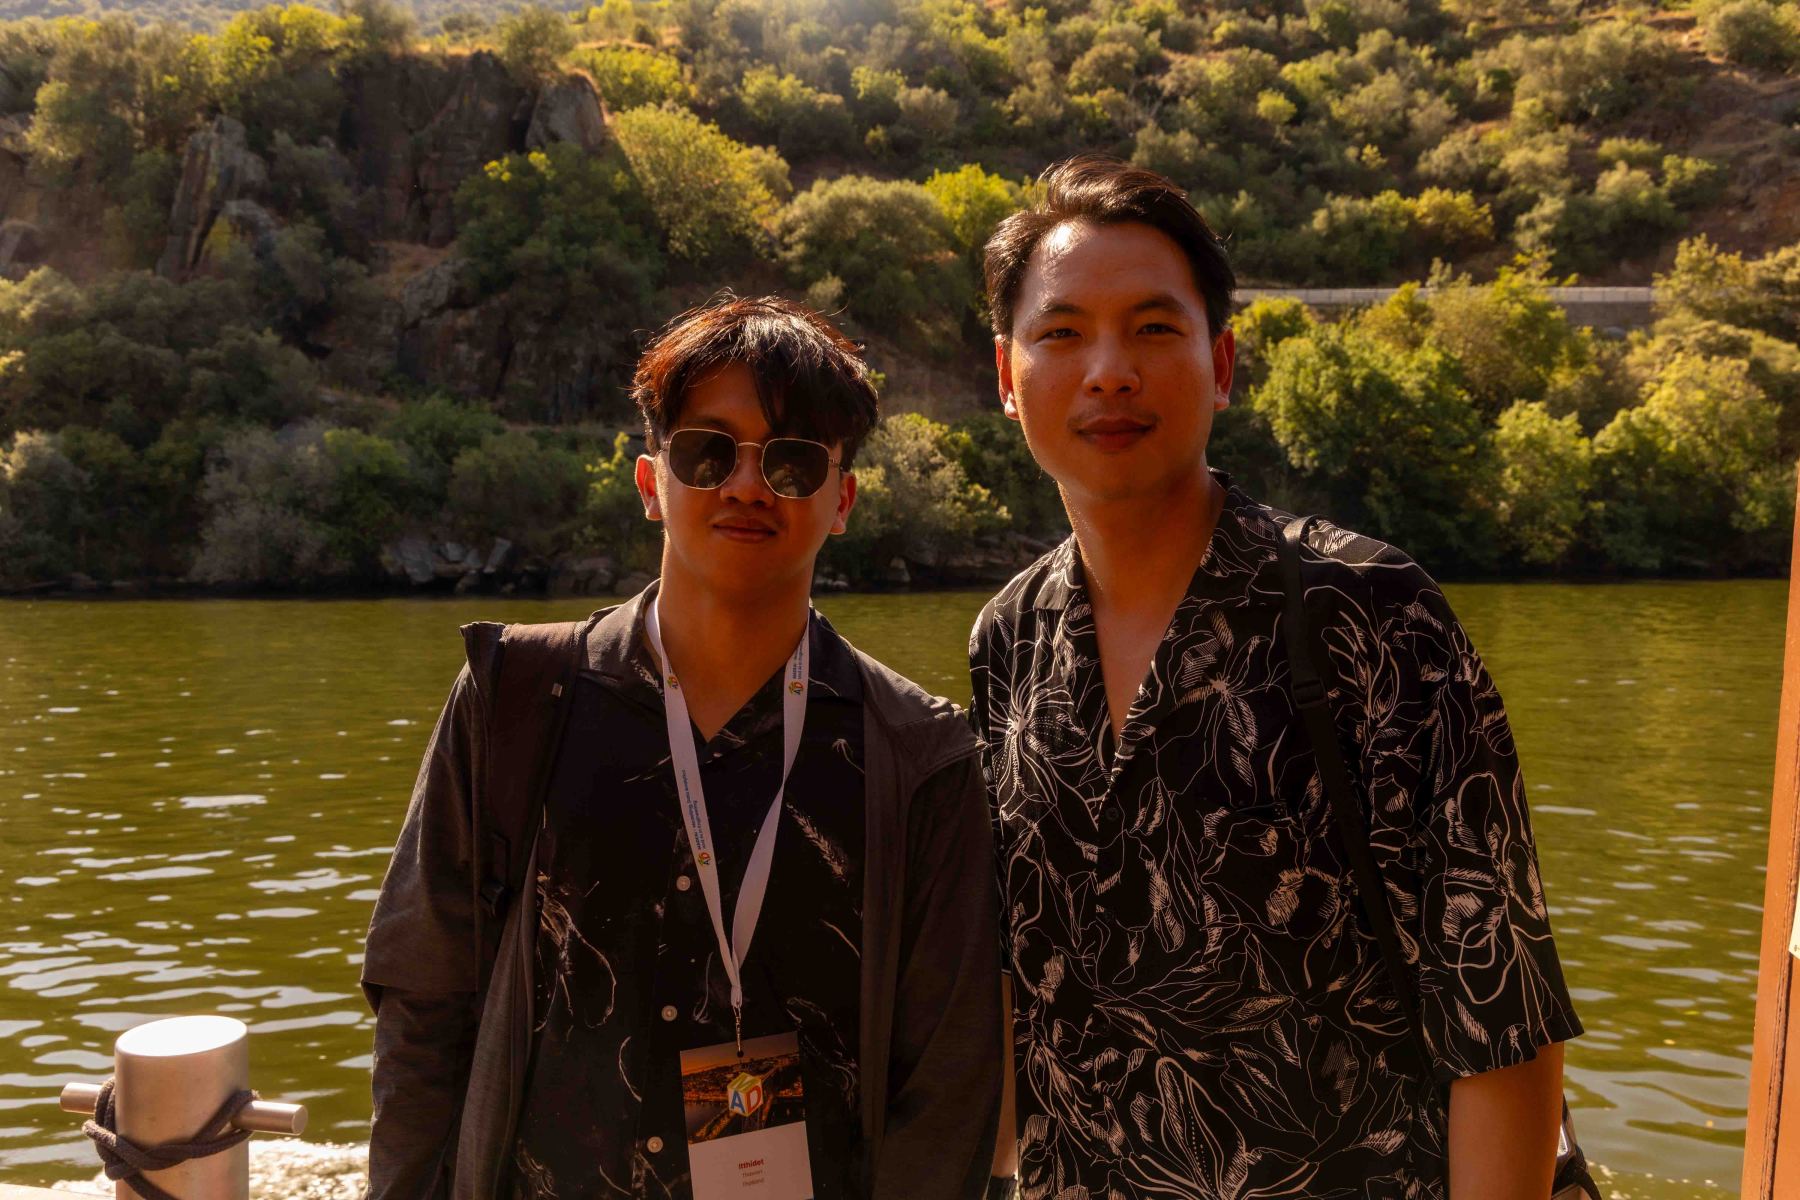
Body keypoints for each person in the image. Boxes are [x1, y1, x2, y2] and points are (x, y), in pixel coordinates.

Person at [968, 156, 1582, 1199]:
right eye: (1062, 333)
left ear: (1221, 364)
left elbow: (1501, 1017)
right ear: (1005, 375)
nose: (1108, 371)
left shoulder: (1370, 614)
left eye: (1152, 328)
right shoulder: (1009, 640)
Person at [363, 295, 1002, 1200]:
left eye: (791, 460)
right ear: (650, 482)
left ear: (842, 500)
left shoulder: (918, 756)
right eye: (709, 452)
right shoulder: (516, 699)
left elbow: (947, 1086)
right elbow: (423, 1001)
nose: (746, 486)